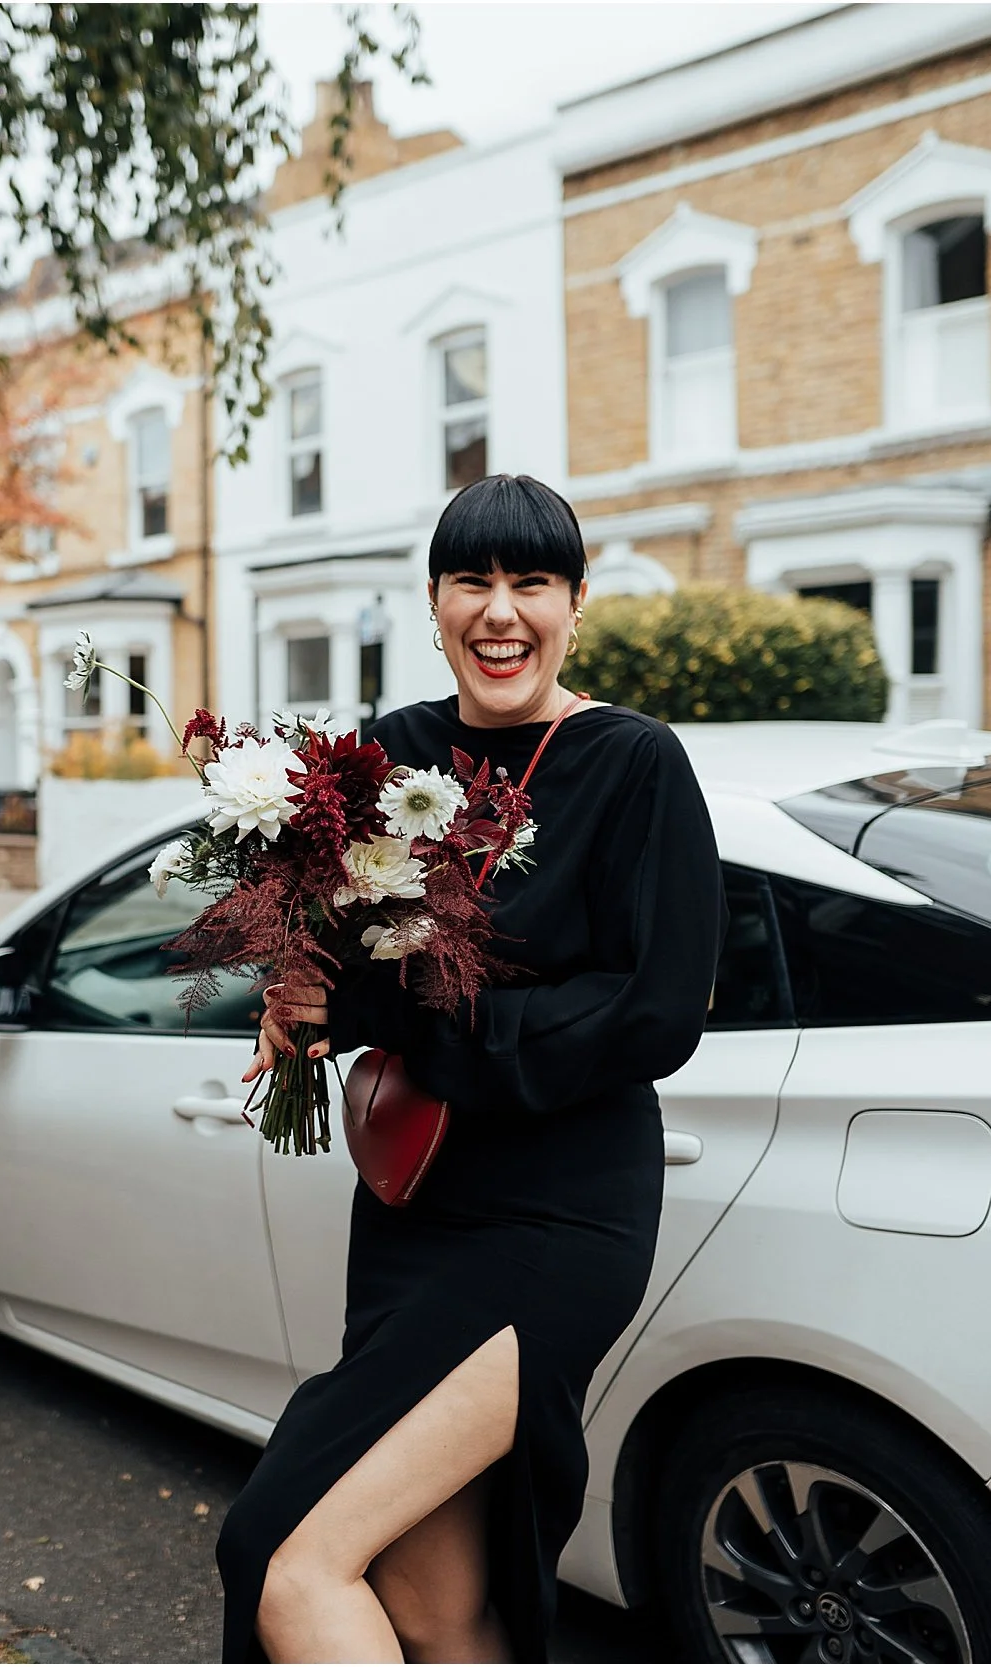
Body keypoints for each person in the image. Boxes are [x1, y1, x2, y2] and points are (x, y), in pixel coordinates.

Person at [214, 474, 724, 1662]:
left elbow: (651, 1014)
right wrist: (292, 974)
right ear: (433, 601)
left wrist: (418, 1016)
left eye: (530, 582)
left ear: (575, 602)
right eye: (472, 581)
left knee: (287, 1562)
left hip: (558, 1215)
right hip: (413, 1208)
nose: (501, 612)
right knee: (440, 1608)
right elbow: (338, 945)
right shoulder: (390, 753)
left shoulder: (633, 765)